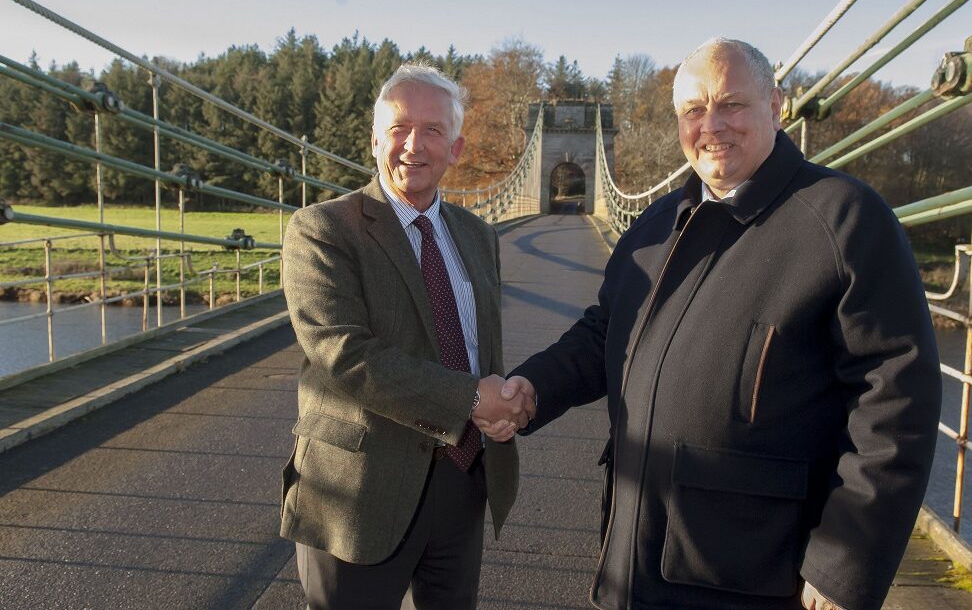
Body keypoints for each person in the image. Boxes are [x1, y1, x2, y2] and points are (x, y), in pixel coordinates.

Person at [496, 38, 941, 610]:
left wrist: (844, 563)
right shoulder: (658, 223)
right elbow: (607, 332)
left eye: (731, 104)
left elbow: (896, 398)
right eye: (694, 110)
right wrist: (533, 388)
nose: (712, 125)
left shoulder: (844, 218)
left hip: (752, 574)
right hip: (635, 557)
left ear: (776, 107)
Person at [280, 62, 534, 609]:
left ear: (457, 148)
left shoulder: (477, 235)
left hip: (462, 480)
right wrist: (471, 398)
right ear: (374, 141)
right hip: (360, 488)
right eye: (398, 128)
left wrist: (503, 405)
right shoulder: (321, 229)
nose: (413, 145)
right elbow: (343, 355)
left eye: (433, 130)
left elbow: (478, 349)